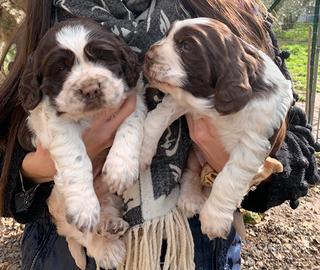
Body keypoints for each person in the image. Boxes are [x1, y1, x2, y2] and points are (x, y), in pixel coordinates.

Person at [0, 0, 318, 269]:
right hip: (65, 253)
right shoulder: (46, 18)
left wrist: (232, 167)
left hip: (198, 250)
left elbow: (299, 150)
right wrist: (40, 166)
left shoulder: (230, 11)